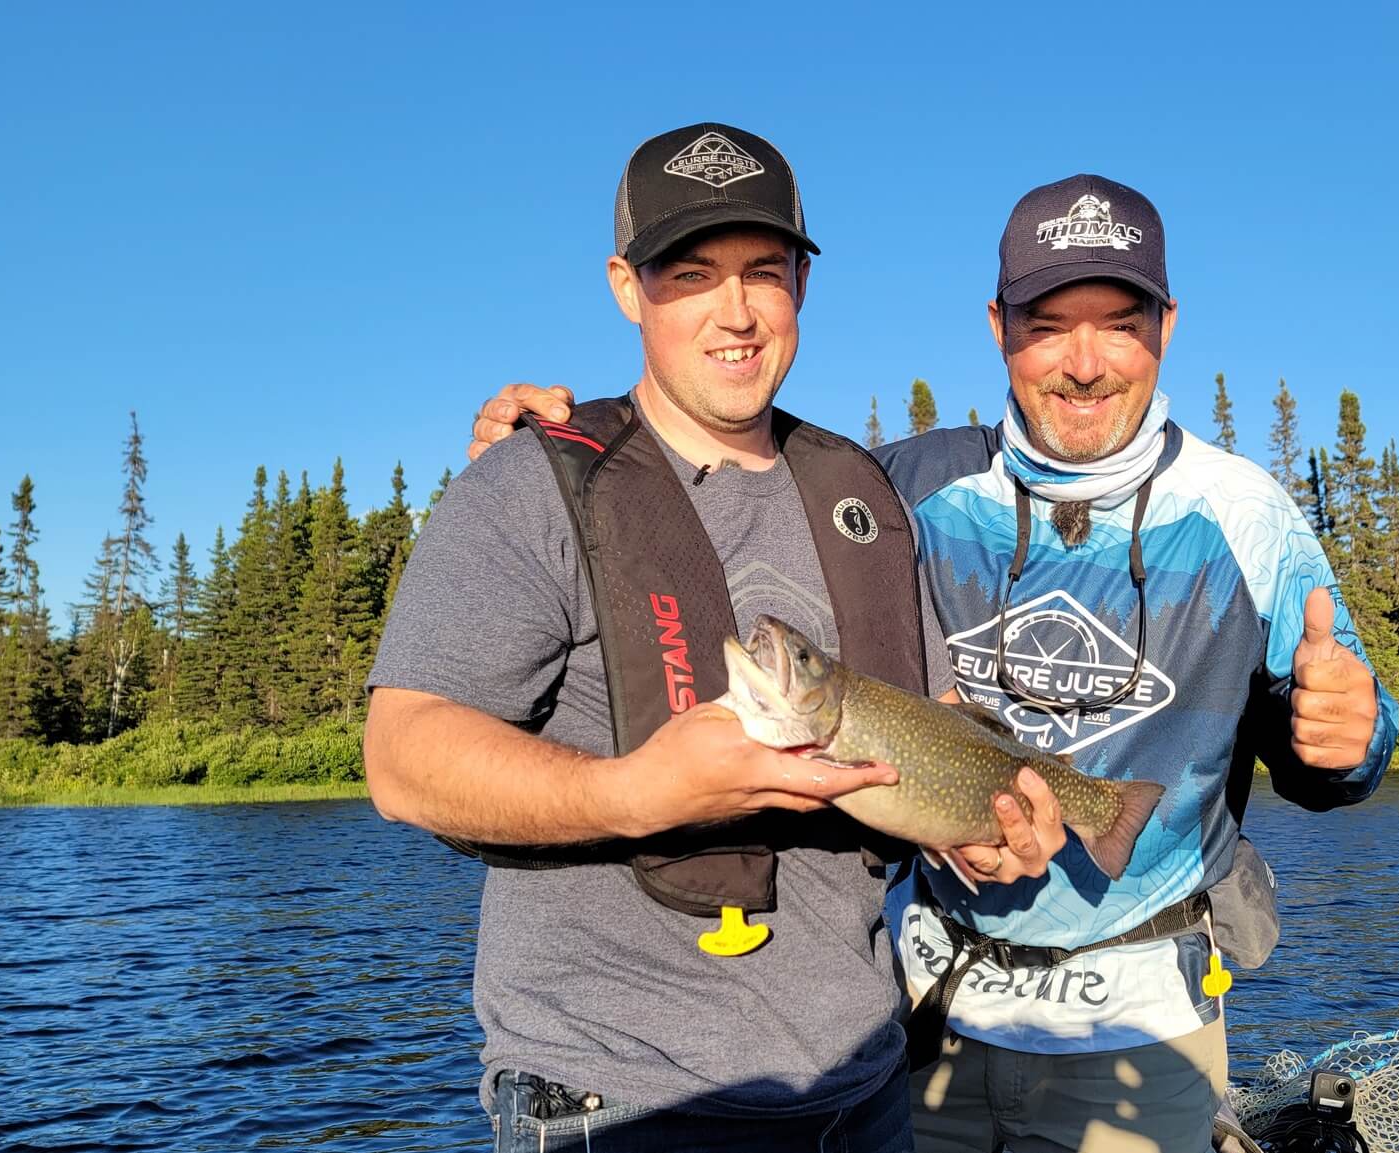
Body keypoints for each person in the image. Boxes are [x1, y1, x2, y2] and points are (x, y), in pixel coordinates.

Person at [474, 174, 1399, 1153]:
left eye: (1118, 324)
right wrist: (556, 463)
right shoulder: (901, 486)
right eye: (1047, 325)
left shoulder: (1249, 516)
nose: (1083, 363)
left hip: (1139, 1032)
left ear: (1164, 326)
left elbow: (1344, 744)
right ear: (997, 324)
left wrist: (1348, 736)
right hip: (918, 1018)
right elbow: (707, 514)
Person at [367, 122, 1063, 1153]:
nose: (734, 312)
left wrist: (989, 830)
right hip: (621, 1102)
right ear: (624, 286)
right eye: (690, 274)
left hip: (861, 1086)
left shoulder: (858, 493)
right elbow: (402, 759)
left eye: (762, 274)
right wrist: (636, 792)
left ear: (801, 288)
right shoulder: (531, 482)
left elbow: (928, 723)